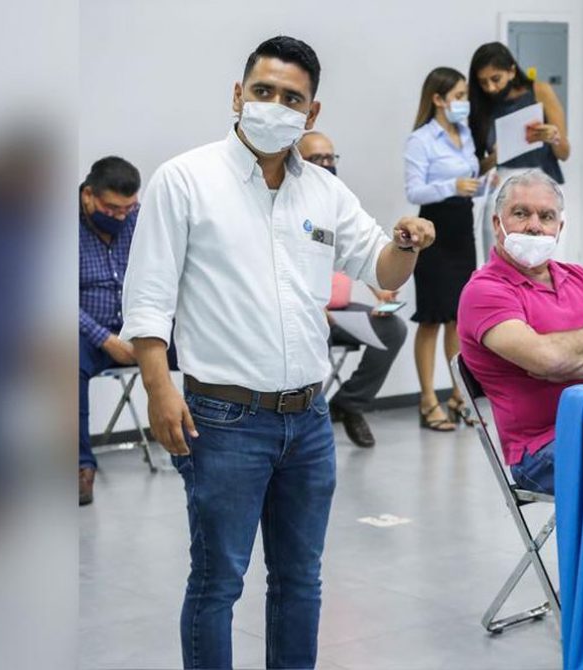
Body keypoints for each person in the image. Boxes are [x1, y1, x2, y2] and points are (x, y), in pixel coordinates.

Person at [119, 36, 434, 669]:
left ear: (311, 113)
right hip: (223, 420)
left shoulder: (324, 192)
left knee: (300, 580)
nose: (274, 105)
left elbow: (382, 270)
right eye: (263, 91)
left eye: (291, 98)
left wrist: (407, 244)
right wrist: (158, 389)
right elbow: (148, 297)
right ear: (238, 95)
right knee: (217, 582)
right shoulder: (186, 179)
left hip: (309, 421)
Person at [457, 170, 583, 495]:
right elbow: (547, 359)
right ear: (497, 223)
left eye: (546, 217)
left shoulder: (579, 277)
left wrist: (577, 367)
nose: (534, 226)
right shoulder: (485, 291)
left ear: (559, 227)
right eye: (521, 213)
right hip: (547, 447)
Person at [298, 131, 409, 447]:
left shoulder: (336, 204)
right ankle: (310, 420)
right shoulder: (289, 206)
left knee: (392, 330)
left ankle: (349, 403)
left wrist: (380, 292)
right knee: (312, 332)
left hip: (342, 311)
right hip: (308, 312)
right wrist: (315, 308)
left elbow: (357, 254)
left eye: (330, 157)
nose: (326, 164)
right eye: (317, 159)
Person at [404, 68, 480, 432]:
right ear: (438, 98)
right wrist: (452, 185)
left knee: (457, 317)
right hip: (433, 231)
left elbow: (471, 180)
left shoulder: (465, 133)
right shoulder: (421, 139)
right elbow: (413, 190)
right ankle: (427, 399)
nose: (464, 102)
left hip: (462, 229)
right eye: (458, 95)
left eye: (465, 95)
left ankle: (458, 396)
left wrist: (483, 183)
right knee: (432, 317)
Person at [78, 156, 140, 505]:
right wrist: (106, 339)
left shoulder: (138, 218)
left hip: (138, 328)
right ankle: (79, 467)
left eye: (127, 209)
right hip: (87, 334)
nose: (120, 217)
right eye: (112, 209)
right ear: (88, 195)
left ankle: (211, 447)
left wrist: (147, 330)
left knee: (202, 340)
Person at [468, 42, 570, 254]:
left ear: (512, 71)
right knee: (501, 257)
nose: (491, 88)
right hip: (504, 187)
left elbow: (564, 153)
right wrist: (496, 156)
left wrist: (553, 137)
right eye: (483, 82)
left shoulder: (540, 91)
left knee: (549, 257)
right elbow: (475, 167)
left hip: (544, 181)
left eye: (496, 79)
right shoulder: (481, 105)